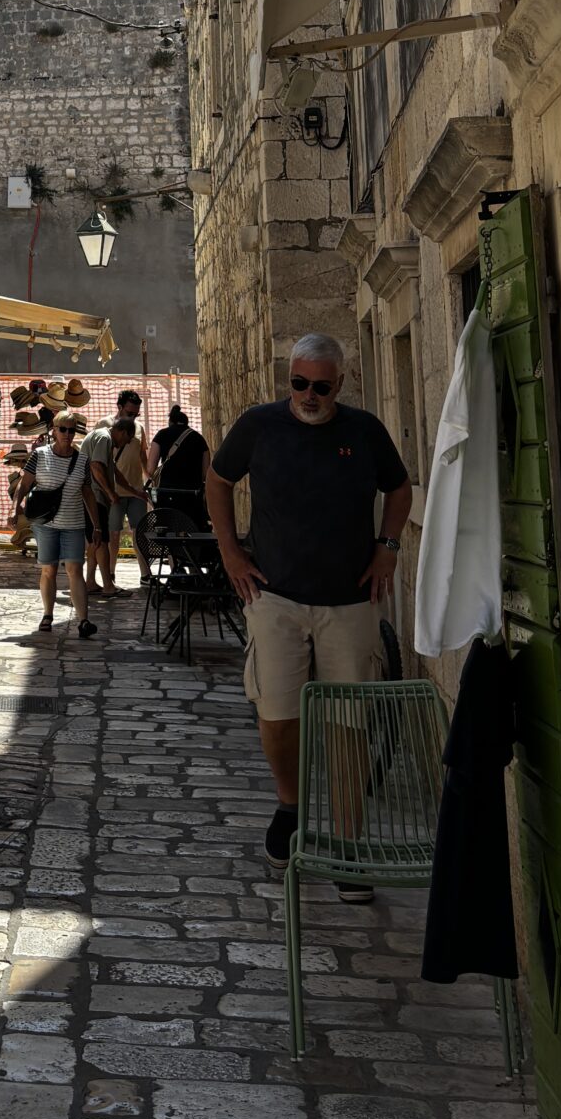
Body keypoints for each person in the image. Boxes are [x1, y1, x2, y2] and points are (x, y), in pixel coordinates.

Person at [206, 334, 411, 891]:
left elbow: (399, 489)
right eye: (299, 383)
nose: (309, 395)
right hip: (275, 597)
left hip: (349, 601)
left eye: (321, 386)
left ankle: (347, 841)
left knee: (348, 724)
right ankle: (290, 807)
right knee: (277, 713)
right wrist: (230, 551)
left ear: (340, 384)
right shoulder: (260, 425)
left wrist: (388, 548)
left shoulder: (364, 431)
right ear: (289, 379)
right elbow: (218, 481)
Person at [12, 406, 98, 641]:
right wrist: (14, 509)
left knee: (75, 569)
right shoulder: (40, 455)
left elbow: (88, 492)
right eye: (63, 430)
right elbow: (24, 484)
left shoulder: (82, 460)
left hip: (74, 523)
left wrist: (96, 525)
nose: (68, 434)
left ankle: (83, 620)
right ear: (54, 430)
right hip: (46, 524)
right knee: (49, 569)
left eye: (72, 430)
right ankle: (48, 614)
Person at [82, 389, 144, 598]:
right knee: (102, 539)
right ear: (123, 433)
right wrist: (110, 493)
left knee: (95, 540)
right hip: (94, 496)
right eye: (127, 440)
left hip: (94, 495)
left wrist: (134, 491)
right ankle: (108, 585)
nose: (124, 445)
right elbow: (96, 467)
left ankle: (90, 582)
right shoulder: (105, 438)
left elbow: (114, 471)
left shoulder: (105, 438)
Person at [148, 405, 210, 526]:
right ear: (187, 423)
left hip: (166, 494)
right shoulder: (199, 439)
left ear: (170, 422)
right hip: (192, 495)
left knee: (167, 527)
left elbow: (151, 469)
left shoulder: (161, 435)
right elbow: (205, 474)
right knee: (193, 528)